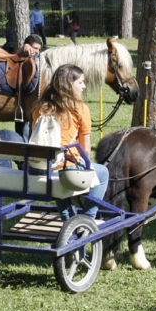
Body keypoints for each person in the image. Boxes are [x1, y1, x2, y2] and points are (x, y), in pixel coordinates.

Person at [30, 64, 109, 221]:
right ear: (68, 84)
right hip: (63, 171)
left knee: (57, 164)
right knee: (103, 173)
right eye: (80, 82)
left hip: (37, 168)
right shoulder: (80, 109)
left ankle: (66, 215)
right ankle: (88, 217)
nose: (84, 86)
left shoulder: (39, 106)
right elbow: (85, 151)